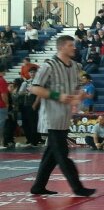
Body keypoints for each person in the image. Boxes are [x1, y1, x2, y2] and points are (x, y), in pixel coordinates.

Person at [27, 36, 95, 196]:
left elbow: (77, 88)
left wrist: (80, 96)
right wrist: (58, 96)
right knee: (62, 154)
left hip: (64, 117)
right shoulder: (49, 66)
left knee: (51, 155)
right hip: (51, 117)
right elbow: (34, 88)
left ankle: (38, 186)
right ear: (61, 47)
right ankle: (78, 187)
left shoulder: (76, 66)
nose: (74, 48)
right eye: (71, 45)